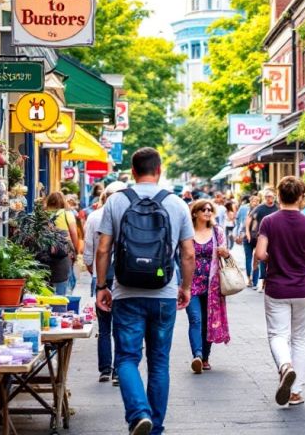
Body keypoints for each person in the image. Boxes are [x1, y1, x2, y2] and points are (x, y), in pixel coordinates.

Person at [96, 147, 195, 435]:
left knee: (126, 358)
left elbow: (103, 248)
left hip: (126, 292)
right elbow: (188, 254)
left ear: (133, 171)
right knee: (159, 362)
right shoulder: (176, 204)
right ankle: (155, 427)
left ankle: (139, 413)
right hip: (164, 293)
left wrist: (102, 286)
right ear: (159, 170)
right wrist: (185, 287)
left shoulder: (116, 201)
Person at [254, 176, 305, 406]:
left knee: (277, 335)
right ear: (301, 197)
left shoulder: (269, 222)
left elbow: (261, 254)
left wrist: (276, 256)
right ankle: (295, 392)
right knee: (300, 339)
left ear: (279, 195)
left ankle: (284, 366)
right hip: (303, 287)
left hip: (277, 287)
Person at [83, 181, 127, 385]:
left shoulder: (93, 217)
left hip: (101, 278)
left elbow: (89, 253)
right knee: (121, 325)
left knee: (104, 326)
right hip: (122, 278)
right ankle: (118, 370)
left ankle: (104, 369)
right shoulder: (128, 216)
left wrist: (97, 277)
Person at [186, 199, 232, 374]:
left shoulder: (217, 231)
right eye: (203, 209)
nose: (207, 212)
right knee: (195, 319)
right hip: (191, 283)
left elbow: (226, 254)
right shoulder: (187, 232)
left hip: (212, 282)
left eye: (209, 209)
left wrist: (225, 253)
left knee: (208, 321)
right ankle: (197, 355)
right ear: (195, 213)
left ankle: (205, 357)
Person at [45, 192, 79, 296]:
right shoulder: (67, 214)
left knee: (47, 280)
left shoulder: (44, 214)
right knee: (64, 279)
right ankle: (62, 301)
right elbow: (73, 232)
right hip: (64, 250)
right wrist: (75, 250)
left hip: (46, 250)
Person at [247, 190, 279, 292]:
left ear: (274, 197)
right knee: (262, 258)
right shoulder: (260, 208)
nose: (269, 199)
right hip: (262, 236)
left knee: (274, 259)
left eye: (271, 197)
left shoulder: (278, 208)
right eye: (267, 197)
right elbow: (249, 218)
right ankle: (262, 281)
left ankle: (270, 281)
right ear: (264, 198)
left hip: (275, 237)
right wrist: (248, 232)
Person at [236, 194, 259, 286]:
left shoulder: (246, 210)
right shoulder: (258, 212)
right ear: (250, 201)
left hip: (254, 238)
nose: (255, 203)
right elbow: (242, 226)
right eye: (254, 201)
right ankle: (251, 280)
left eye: (257, 201)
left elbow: (240, 224)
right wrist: (240, 235)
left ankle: (252, 280)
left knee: (254, 259)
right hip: (250, 238)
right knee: (251, 259)